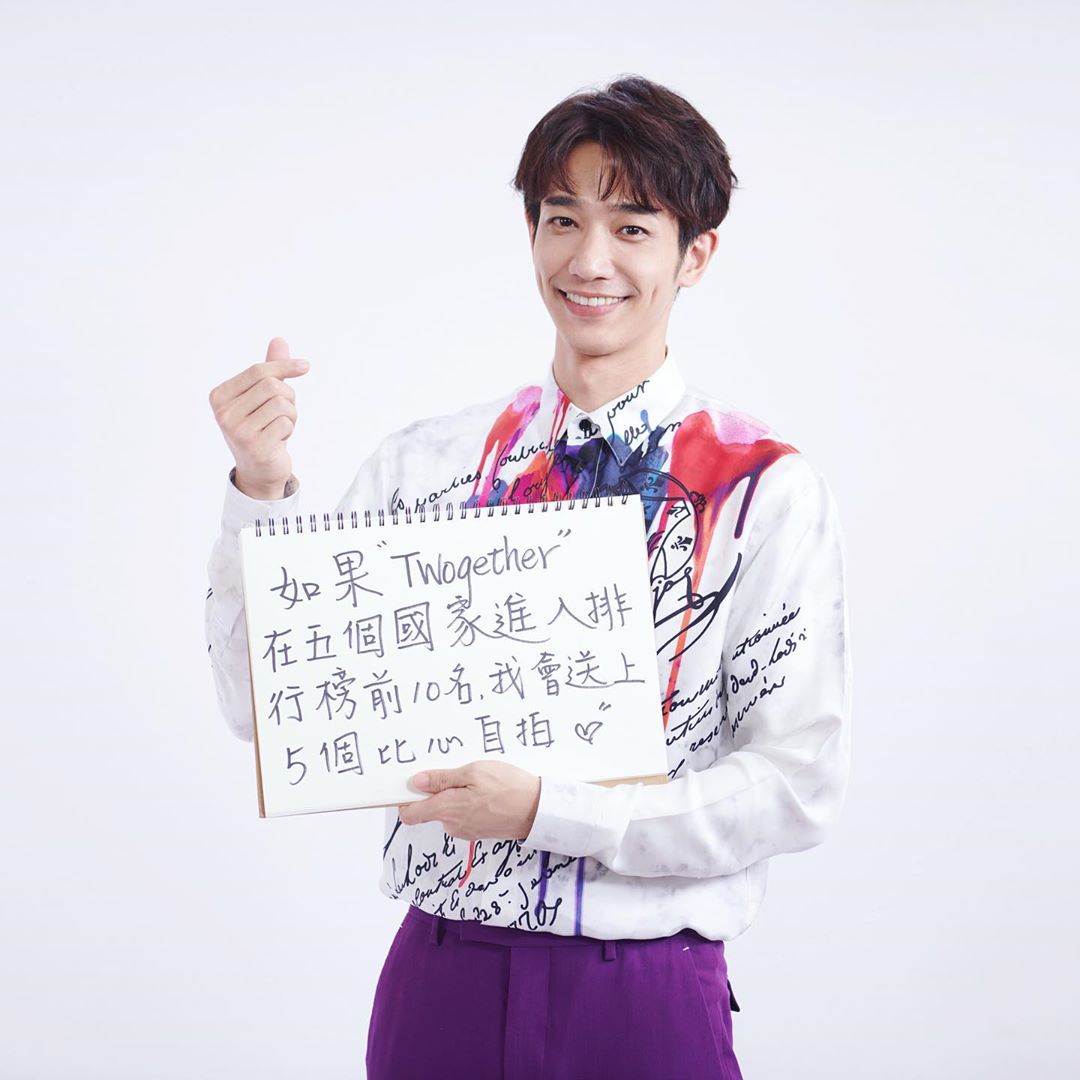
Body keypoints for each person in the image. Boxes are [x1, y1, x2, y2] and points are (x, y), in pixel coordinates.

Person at [205, 74, 851, 1080]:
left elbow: (797, 784)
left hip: (644, 988)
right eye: (563, 220)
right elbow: (267, 714)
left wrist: (553, 811)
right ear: (533, 233)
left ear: (696, 254)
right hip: (442, 975)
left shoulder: (759, 489)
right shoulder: (424, 468)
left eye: (632, 228)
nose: (589, 260)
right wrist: (261, 485)